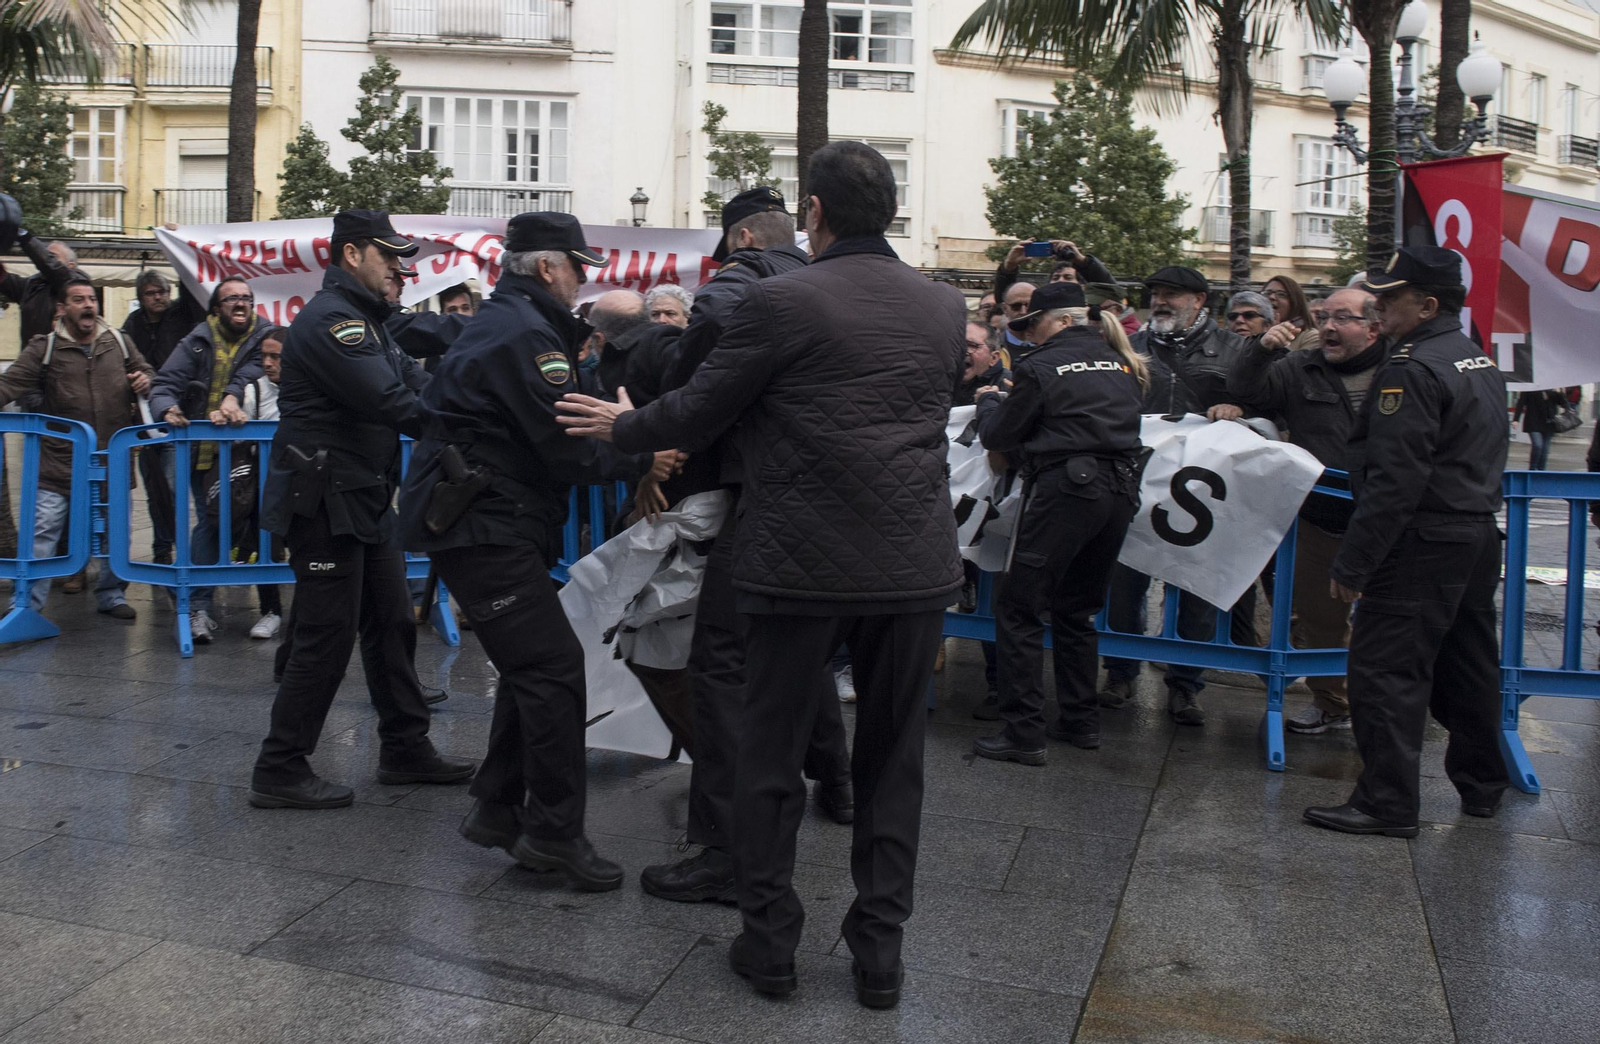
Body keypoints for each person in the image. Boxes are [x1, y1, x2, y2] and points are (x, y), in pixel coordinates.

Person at [557, 142, 963, 1010]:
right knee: (895, 763)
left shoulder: (783, 300)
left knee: (769, 756)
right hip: (913, 565)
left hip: (798, 562)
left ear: (814, 213)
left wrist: (623, 426)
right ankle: (879, 954)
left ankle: (771, 940)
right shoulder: (940, 303)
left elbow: (701, 411)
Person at [400, 212, 671, 890]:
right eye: (578, 267)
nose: (583, 280)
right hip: (484, 526)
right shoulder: (525, 334)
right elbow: (567, 444)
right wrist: (640, 451)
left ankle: (498, 809)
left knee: (535, 666)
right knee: (552, 670)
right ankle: (553, 833)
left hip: (488, 522)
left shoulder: (516, 324)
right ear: (549, 268)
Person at [247, 209, 475, 810]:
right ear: (352, 255)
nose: (400, 267)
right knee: (325, 634)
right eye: (389, 256)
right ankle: (280, 767)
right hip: (324, 499)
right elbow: (392, 400)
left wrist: (469, 397)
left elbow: (419, 383)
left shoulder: (366, 323)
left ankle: (405, 747)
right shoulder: (333, 323)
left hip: (362, 496)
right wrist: (478, 423)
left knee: (392, 622)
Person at [1304, 246, 1511, 837]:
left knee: (1384, 672)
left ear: (1427, 304)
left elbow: (1396, 479)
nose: (1379, 305)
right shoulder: (1472, 358)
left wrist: (1357, 561)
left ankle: (1386, 803)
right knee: (1468, 665)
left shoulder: (1411, 367)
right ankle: (1482, 785)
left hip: (1422, 539)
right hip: (1471, 532)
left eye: (1391, 297)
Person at [970, 282, 1147, 763]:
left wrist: (990, 401)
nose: (1029, 335)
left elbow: (1001, 433)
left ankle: (1024, 734)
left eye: (1035, 324)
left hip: (1066, 493)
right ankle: (1080, 722)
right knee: (1076, 610)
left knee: (1019, 608)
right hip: (1118, 493)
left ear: (1063, 320)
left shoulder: (1040, 366)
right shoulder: (1124, 362)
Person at [1228, 286, 1388, 734]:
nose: (1328, 327)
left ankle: (1389, 712)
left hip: (1392, 518)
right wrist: (1261, 351)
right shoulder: (1300, 366)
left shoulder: (1403, 368)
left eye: (1342, 318)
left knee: (1393, 622)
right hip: (1322, 517)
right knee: (1321, 618)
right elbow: (1246, 389)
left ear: (1374, 327)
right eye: (1324, 317)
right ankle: (1332, 703)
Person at [1100, 265, 1246, 725]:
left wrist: (1239, 408)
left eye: (1173, 295)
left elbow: (1264, 399)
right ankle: (1120, 674)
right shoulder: (1132, 347)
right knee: (1124, 587)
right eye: (1156, 294)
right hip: (1137, 485)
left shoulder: (1234, 350)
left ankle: (1186, 685)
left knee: (1196, 591)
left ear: (1200, 301)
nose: (1161, 301)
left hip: (1204, 495)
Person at [0, 276, 154, 619]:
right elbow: (8, 385)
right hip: (58, 464)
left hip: (112, 461)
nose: (88, 305)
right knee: (42, 536)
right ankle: (27, 605)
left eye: (92, 299)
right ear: (62, 308)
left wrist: (146, 378)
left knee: (117, 536)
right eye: (79, 299)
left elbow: (146, 372)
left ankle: (111, 594)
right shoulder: (45, 348)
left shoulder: (119, 341)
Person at [149, 277, 273, 643]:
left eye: (246, 298)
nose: (240, 303)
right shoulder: (197, 341)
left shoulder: (266, 336)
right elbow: (164, 383)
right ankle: (198, 607)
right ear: (216, 308)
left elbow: (255, 370)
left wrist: (232, 395)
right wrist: (167, 408)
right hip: (205, 454)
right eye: (231, 298)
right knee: (210, 522)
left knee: (251, 524)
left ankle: (268, 608)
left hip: (254, 454)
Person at [124, 269, 206, 565]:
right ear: (140, 298)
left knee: (174, 488)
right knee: (155, 489)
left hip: (179, 415)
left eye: (162, 291)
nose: (158, 297)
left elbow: (191, 288)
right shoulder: (132, 325)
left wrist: (178, 250)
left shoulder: (182, 314)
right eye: (151, 293)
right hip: (145, 423)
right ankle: (162, 548)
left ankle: (184, 551)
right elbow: (125, 363)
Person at [243, 331, 285, 640]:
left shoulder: (312, 386)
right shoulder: (253, 392)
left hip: (303, 482)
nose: (268, 363)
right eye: (264, 357)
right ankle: (271, 610)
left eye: (276, 356)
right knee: (266, 545)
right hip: (265, 482)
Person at [993, 238, 1114, 303]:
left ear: (1081, 286)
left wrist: (1082, 261)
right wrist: (1008, 267)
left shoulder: (1091, 314)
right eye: (1055, 277)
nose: (1060, 280)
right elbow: (1004, 302)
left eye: (1068, 277)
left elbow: (1112, 293)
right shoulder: (1037, 315)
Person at [953, 320, 1009, 406]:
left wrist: (986, 402)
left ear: (993, 358)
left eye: (972, 345)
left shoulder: (1007, 385)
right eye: (960, 344)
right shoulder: (942, 379)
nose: (963, 351)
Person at [1513, 389, 1569, 471]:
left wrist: (1559, 392)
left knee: (1545, 449)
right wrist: (1516, 419)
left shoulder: (1552, 386)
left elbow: (1563, 402)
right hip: (1533, 421)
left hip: (1549, 422)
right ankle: (1532, 468)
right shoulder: (1531, 386)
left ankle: (1541, 471)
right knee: (1538, 445)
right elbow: (1521, 402)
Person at [1263, 275, 1321, 352]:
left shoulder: (1311, 337)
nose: (1272, 297)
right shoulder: (1255, 330)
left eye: (1281, 294)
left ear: (1295, 302)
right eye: (1267, 293)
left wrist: (1277, 343)